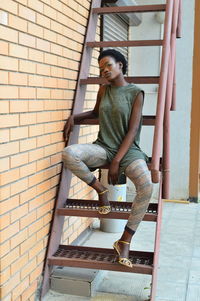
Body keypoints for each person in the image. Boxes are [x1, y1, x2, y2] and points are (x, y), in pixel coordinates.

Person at [63, 49, 153, 268]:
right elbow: (95, 113)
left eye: (108, 65)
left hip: (129, 152)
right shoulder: (103, 90)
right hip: (103, 147)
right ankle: (101, 191)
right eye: (101, 67)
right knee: (69, 153)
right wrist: (74, 118)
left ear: (120, 65)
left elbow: (132, 131)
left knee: (146, 186)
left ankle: (124, 241)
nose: (104, 70)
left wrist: (116, 162)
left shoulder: (136, 93)